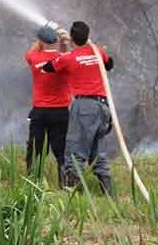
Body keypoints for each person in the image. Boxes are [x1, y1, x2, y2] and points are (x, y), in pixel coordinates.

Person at [44, 21, 115, 194]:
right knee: (97, 150)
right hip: (103, 107)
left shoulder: (70, 58)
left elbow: (49, 68)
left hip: (84, 107)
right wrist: (81, 46)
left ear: (72, 38)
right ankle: (108, 193)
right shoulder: (98, 51)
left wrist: (62, 45)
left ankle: (74, 194)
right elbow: (109, 64)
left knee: (75, 148)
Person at [24, 24, 72, 177]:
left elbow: (31, 51)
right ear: (56, 40)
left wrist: (44, 34)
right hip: (60, 112)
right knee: (61, 149)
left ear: (40, 41)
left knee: (35, 147)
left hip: (39, 112)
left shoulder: (33, 57)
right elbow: (67, 58)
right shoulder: (63, 59)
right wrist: (64, 43)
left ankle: (32, 180)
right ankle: (64, 183)